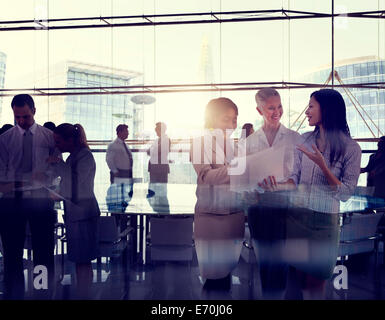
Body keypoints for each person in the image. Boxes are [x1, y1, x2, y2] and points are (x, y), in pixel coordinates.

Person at [261, 88, 361, 299]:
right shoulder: (305, 140)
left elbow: (345, 194)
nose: (306, 111)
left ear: (327, 110)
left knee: (315, 286)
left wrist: (324, 167)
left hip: (324, 224)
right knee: (294, 284)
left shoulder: (351, 148)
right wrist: (276, 186)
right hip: (297, 218)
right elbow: (294, 179)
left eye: (311, 106)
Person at [0, 94, 59, 299]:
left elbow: (57, 167)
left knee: (43, 251)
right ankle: (13, 294)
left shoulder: (49, 136)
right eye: (18, 117)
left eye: (25, 116)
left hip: (40, 198)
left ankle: (41, 292)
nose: (22, 121)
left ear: (34, 110)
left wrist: (49, 175)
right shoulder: (5, 139)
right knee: (12, 253)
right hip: (12, 201)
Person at [190, 97, 244, 291]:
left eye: (234, 119)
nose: (231, 124)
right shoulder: (199, 143)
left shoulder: (236, 147)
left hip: (235, 216)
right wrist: (237, 168)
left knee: (227, 275)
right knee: (214, 279)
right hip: (212, 219)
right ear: (212, 119)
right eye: (226, 119)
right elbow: (207, 176)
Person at [47, 123, 100, 299]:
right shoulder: (74, 157)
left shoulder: (84, 156)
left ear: (70, 140)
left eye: (59, 141)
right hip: (77, 214)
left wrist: (59, 164)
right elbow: (69, 186)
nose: (57, 145)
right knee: (80, 260)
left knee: (83, 261)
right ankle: (83, 295)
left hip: (83, 215)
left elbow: (76, 183)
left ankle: (84, 295)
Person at [245, 88, 301, 180]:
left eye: (279, 106)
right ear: (259, 110)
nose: (277, 112)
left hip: (288, 193)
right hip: (258, 193)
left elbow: (300, 174)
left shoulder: (294, 138)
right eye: (271, 108)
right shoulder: (249, 142)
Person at [106, 124, 134, 199]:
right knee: (117, 195)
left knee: (124, 195)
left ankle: (122, 210)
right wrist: (115, 171)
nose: (128, 133)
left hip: (126, 173)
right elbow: (109, 160)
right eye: (126, 131)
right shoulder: (113, 145)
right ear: (120, 132)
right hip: (119, 173)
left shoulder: (125, 145)